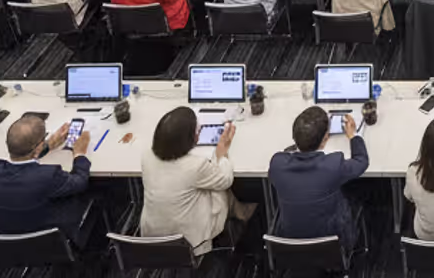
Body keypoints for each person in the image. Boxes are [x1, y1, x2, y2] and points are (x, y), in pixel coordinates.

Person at [141, 108, 249, 256]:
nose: (198, 134)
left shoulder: (147, 156)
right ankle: (243, 215)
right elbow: (225, 180)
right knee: (220, 189)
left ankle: (241, 212)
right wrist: (221, 154)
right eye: (196, 131)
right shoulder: (195, 166)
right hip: (189, 242)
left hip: (152, 236)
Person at [0, 115, 99, 247]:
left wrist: (48, 145)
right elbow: (80, 181)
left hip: (9, 244)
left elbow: (22, 158)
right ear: (38, 147)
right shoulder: (47, 176)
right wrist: (79, 153)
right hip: (52, 243)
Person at [269, 106, 369, 248]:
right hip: (333, 243)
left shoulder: (277, 165)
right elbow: (361, 161)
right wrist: (353, 136)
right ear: (325, 139)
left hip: (290, 241)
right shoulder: (333, 165)